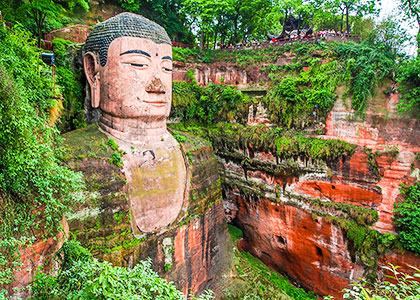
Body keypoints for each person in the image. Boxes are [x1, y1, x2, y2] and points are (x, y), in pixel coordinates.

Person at [83, 12, 186, 236]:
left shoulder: (197, 152)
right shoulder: (74, 162)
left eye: (166, 68)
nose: (158, 84)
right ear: (93, 71)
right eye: (138, 64)